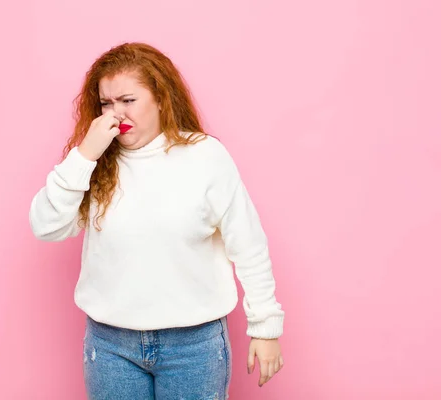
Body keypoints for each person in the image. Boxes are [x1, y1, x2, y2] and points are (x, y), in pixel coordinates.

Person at [29, 42, 285, 399]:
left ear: (161, 98)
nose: (115, 114)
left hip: (194, 345)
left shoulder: (205, 156)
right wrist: (86, 153)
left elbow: (248, 245)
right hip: (111, 346)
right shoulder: (96, 162)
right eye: (106, 103)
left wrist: (265, 327)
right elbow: (46, 225)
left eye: (127, 100)